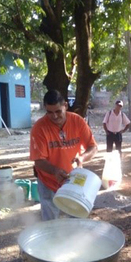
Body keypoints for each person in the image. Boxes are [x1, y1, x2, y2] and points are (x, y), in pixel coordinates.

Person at [30, 90, 98, 221]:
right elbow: (38, 161)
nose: (54, 116)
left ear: (65, 106)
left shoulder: (77, 121)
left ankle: (74, 241)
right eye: (49, 112)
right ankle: (52, 240)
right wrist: (55, 171)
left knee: (77, 216)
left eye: (58, 111)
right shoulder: (39, 128)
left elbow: (93, 147)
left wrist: (82, 158)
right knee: (50, 220)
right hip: (48, 181)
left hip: (73, 179)